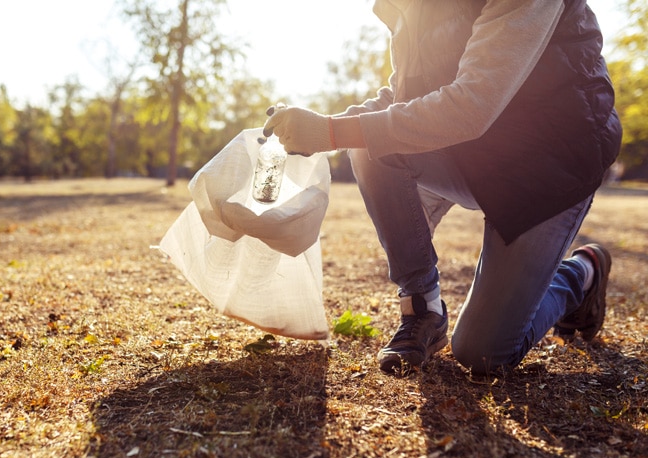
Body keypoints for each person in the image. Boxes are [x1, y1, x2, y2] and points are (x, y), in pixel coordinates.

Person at [262, 0, 622, 376]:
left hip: (552, 164)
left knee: (483, 353)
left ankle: (581, 273)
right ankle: (423, 309)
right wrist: (324, 125)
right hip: (478, 153)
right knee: (370, 146)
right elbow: (403, 96)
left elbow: (471, 106)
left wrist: (333, 132)